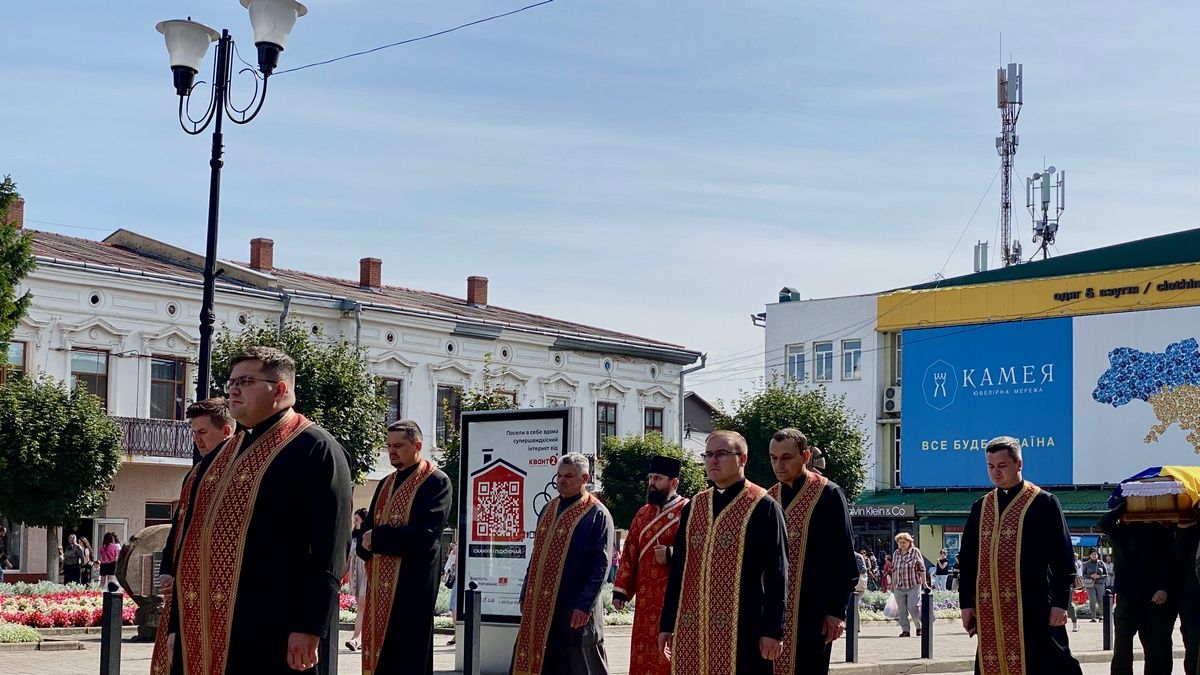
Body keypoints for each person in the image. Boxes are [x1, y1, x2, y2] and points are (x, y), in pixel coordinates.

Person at [159, 346, 352, 675]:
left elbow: (330, 549)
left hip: (270, 629)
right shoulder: (218, 457)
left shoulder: (316, 449)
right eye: (231, 381)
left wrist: (309, 626)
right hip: (202, 629)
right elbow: (189, 542)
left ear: (280, 389)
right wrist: (176, 625)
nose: (233, 389)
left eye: (246, 381)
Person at [658, 430, 788, 675]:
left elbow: (777, 574)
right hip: (691, 626)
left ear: (743, 459)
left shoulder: (763, 505)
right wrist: (667, 623)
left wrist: (773, 630)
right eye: (708, 455)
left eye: (721, 454)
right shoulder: (694, 506)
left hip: (744, 627)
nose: (712, 461)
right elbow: (680, 569)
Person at [958, 436, 1081, 675]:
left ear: (1019, 464)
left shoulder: (1044, 503)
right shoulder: (980, 507)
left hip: (1034, 606)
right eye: (991, 467)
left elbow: (1062, 557)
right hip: (990, 608)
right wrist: (966, 604)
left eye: (1002, 466)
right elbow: (968, 560)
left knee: (1050, 664)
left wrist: (1059, 603)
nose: (996, 473)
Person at [357, 419, 452, 675]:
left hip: (412, 585)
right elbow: (368, 526)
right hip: (380, 584)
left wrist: (377, 539)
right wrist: (365, 542)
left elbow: (426, 534)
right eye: (388, 446)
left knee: (408, 656)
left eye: (398, 445)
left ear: (417, 445)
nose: (391, 451)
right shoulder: (386, 483)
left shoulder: (436, 482)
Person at [150, 397, 235, 674]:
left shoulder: (235, 474)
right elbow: (179, 529)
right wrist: (166, 569)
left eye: (203, 432)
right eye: (193, 432)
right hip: (182, 590)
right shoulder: (195, 473)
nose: (196, 440)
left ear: (226, 432)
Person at [512, 452, 614, 675]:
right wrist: (525, 592)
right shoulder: (548, 509)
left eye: (568, 476)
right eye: (559, 475)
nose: (561, 481)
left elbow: (600, 565)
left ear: (584, 478)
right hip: (540, 605)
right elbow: (536, 555)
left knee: (576, 665)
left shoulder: (597, 514)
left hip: (574, 608)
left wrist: (584, 605)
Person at [766, 428, 858, 674]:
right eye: (774, 458)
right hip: (773, 614)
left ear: (805, 456)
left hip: (813, 612)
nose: (779, 465)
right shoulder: (768, 499)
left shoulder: (828, 494)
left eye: (786, 458)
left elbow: (844, 558)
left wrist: (836, 611)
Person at [612, 455, 689, 675]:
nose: (652, 483)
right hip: (645, 603)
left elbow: (697, 550)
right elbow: (629, 554)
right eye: (650, 478)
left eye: (658, 478)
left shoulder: (688, 510)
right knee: (642, 654)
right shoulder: (642, 513)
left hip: (673, 600)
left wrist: (670, 554)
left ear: (673, 482)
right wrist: (621, 591)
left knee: (667, 657)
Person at [1100, 502, 1177, 675]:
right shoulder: (1120, 532)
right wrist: (1125, 505)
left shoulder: (1159, 531)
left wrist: (1164, 588)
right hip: (1127, 599)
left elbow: (1169, 563)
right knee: (1122, 647)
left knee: (1155, 648)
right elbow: (1104, 523)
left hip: (1153, 598)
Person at [890, 532, 927, 638]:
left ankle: (919, 627)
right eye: (900, 542)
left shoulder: (915, 552)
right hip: (899, 585)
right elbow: (894, 569)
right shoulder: (896, 553)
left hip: (913, 584)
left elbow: (922, 568)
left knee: (912, 607)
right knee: (902, 610)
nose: (902, 544)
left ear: (909, 542)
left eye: (904, 542)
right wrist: (892, 584)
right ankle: (905, 630)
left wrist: (924, 583)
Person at [343, 508, 369, 652]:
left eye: (357, 519)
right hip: (356, 574)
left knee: (362, 605)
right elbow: (348, 559)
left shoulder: (366, 535)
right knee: (361, 606)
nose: (354, 522)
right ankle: (360, 638)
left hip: (366, 572)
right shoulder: (353, 536)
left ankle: (356, 638)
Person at [1082, 550, 1108, 621]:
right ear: (1090, 555)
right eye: (1092, 554)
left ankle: (1101, 616)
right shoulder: (1087, 564)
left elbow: (1106, 574)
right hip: (1090, 585)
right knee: (1092, 600)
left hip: (1100, 584)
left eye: (1095, 554)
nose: (1094, 555)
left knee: (1100, 600)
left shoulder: (1101, 563)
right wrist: (1090, 575)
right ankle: (1093, 617)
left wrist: (1099, 576)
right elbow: (1083, 575)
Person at [443, 542, 458, 646]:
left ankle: (457, 634)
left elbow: (447, 568)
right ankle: (457, 633)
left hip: (458, 581)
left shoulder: (456, 550)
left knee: (454, 606)